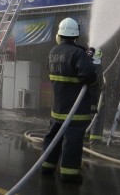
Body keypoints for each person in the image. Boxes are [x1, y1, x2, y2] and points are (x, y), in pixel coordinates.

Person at [41, 18, 97, 184]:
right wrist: (90, 67)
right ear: (75, 36)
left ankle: (47, 166)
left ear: (60, 34)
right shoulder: (78, 53)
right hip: (75, 110)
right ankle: (69, 174)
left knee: (53, 137)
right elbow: (88, 76)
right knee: (72, 140)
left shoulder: (53, 52)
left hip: (57, 107)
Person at [87, 47, 106, 145]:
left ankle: (85, 136)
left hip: (86, 100)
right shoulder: (98, 67)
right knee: (97, 116)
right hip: (96, 99)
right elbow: (100, 84)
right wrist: (103, 86)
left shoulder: (86, 66)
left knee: (86, 116)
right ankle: (95, 139)